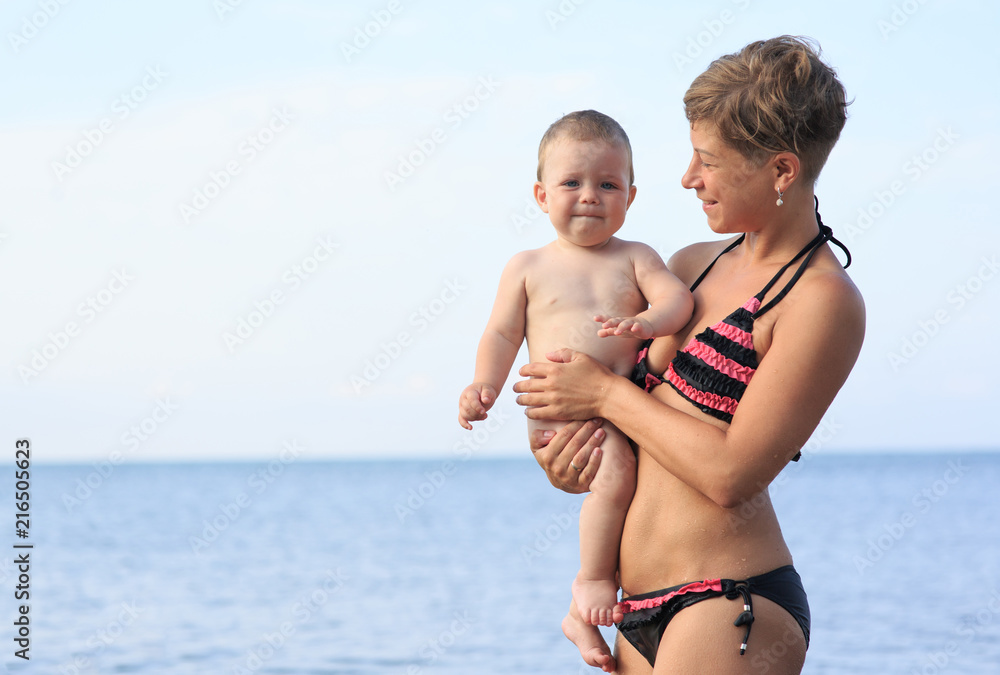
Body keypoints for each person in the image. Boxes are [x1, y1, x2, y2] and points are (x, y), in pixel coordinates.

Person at [513, 37, 864, 674]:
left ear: (782, 171)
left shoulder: (820, 300)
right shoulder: (689, 270)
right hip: (631, 608)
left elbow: (733, 475)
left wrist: (604, 394)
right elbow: (636, 431)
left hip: (730, 601)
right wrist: (569, 460)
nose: (687, 179)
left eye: (707, 160)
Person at [458, 110, 693, 667]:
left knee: (634, 495)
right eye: (572, 183)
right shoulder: (529, 265)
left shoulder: (636, 257)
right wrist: (482, 385)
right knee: (615, 480)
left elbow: (677, 300)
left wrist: (648, 322)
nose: (590, 196)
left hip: (619, 409)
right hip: (559, 413)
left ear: (631, 197)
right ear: (541, 195)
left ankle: (578, 614)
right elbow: (500, 332)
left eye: (607, 184)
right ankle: (591, 584)